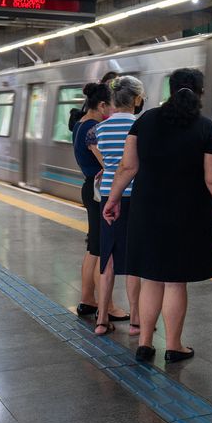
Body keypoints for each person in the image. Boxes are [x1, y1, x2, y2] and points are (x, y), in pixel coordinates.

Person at [105, 68, 212, 363]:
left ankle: (144, 343)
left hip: (146, 210)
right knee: (175, 281)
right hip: (187, 213)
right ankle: (174, 345)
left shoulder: (144, 122)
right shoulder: (206, 128)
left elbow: (128, 168)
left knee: (151, 277)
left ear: (170, 90)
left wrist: (112, 199)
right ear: (201, 93)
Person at [70, 80, 128, 322]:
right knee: (104, 250)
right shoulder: (94, 128)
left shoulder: (80, 125)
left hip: (89, 187)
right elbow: (108, 163)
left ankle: (87, 300)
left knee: (94, 248)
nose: (113, 111)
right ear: (102, 104)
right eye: (111, 106)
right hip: (98, 191)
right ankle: (109, 307)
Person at [90, 76, 143, 336]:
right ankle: (135, 321)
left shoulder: (101, 129)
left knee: (107, 258)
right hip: (135, 195)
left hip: (108, 196)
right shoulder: (140, 126)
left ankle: (101, 320)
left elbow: (109, 161)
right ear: (136, 99)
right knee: (134, 258)